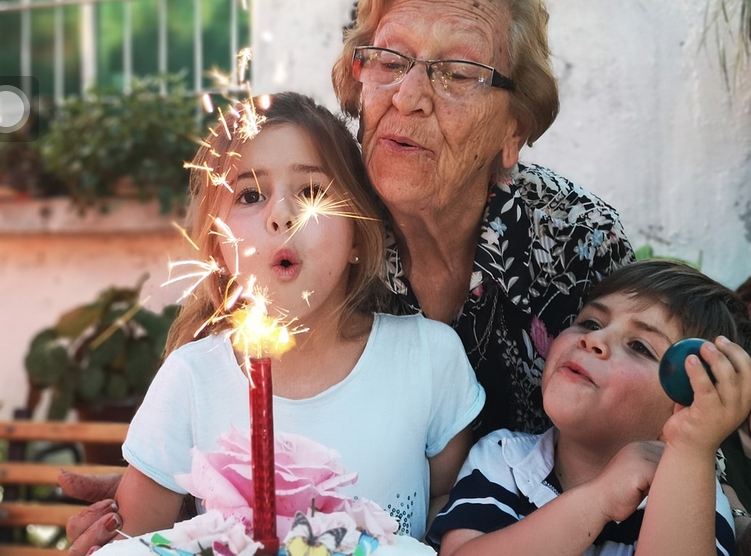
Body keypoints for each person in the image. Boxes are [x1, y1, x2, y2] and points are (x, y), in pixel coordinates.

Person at [64, 0, 634, 551]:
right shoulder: (331, 204)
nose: (408, 97)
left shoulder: (573, 240)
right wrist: (190, 500)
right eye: (389, 61)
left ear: (513, 130)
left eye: (458, 73)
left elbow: (632, 441)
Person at [77, 92, 484, 552]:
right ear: (218, 248)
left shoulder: (428, 360)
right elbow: (135, 543)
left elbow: (452, 511)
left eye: (311, 193)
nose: (282, 216)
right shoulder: (191, 380)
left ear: (357, 232)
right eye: (250, 195)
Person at [427, 260, 751, 555]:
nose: (594, 340)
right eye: (591, 323)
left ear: (686, 400)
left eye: (639, 346)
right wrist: (600, 498)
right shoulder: (504, 458)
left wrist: (690, 447)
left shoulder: (693, 498)